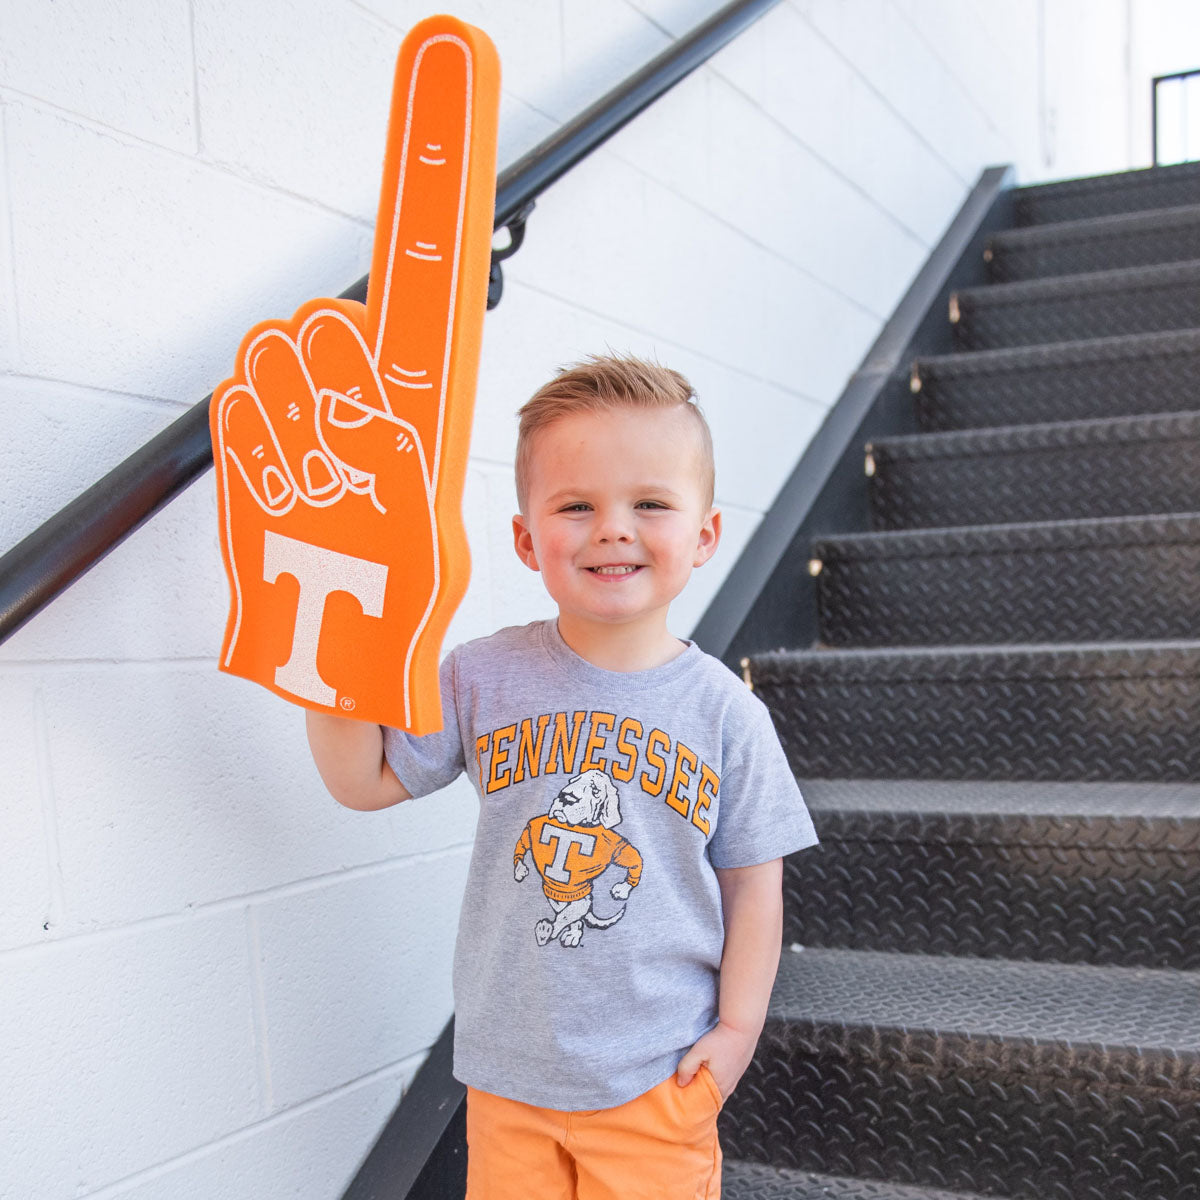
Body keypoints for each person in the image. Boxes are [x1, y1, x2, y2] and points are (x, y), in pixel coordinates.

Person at [306, 354, 817, 1199]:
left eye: (650, 503)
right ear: (524, 538)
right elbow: (363, 780)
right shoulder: (482, 676)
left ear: (704, 535)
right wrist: (330, 674)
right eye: (576, 505)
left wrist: (737, 1031)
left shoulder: (728, 716)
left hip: (656, 1078)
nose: (612, 527)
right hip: (509, 1079)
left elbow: (755, 890)